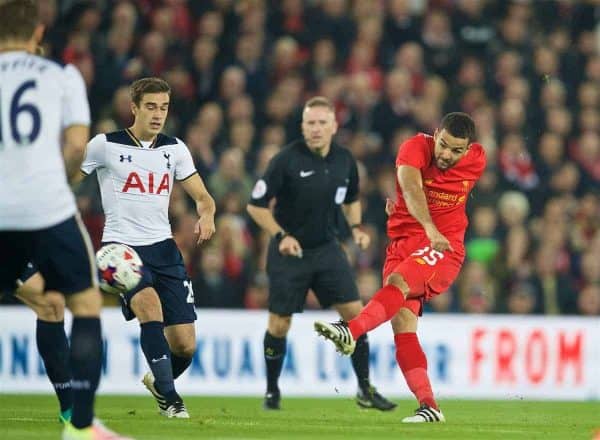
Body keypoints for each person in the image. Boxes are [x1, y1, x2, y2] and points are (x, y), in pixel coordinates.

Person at [0, 1, 131, 439]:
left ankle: (70, 413)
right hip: (46, 209)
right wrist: (68, 178)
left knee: (49, 303)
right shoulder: (61, 75)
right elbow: (77, 146)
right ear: (38, 31)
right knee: (84, 305)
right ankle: (80, 427)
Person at [315, 112, 486, 423]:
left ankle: (349, 331)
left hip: (443, 246)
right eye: (443, 145)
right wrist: (418, 219)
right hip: (404, 242)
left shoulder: (478, 160)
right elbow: (412, 189)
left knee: (398, 281)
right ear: (435, 134)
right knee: (403, 326)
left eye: (456, 150)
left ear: (469, 149)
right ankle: (430, 406)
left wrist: (434, 231)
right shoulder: (414, 148)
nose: (446, 154)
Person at [247, 96, 396, 411]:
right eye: (310, 123)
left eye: (321, 123)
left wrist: (355, 227)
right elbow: (255, 206)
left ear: (334, 126)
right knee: (279, 324)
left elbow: (352, 197)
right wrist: (281, 235)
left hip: (327, 248)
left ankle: (365, 390)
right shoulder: (285, 160)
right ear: (302, 126)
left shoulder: (344, 160)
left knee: (357, 317)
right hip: (290, 251)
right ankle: (272, 391)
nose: (315, 129)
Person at [80, 77, 216, 418]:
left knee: (185, 345)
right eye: (151, 107)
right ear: (134, 107)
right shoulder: (104, 145)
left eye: (164, 108)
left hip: (165, 250)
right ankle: (171, 400)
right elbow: (68, 175)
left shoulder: (175, 149)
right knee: (149, 307)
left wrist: (208, 214)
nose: (158, 115)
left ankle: (159, 381)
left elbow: (202, 196)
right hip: (122, 249)